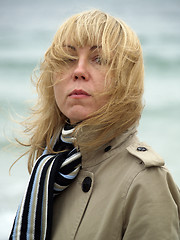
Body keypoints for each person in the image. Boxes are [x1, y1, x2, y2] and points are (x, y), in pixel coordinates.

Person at [9, 9, 180, 240]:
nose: (79, 70)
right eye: (68, 59)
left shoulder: (145, 181)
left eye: (99, 59)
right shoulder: (50, 169)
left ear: (125, 80)